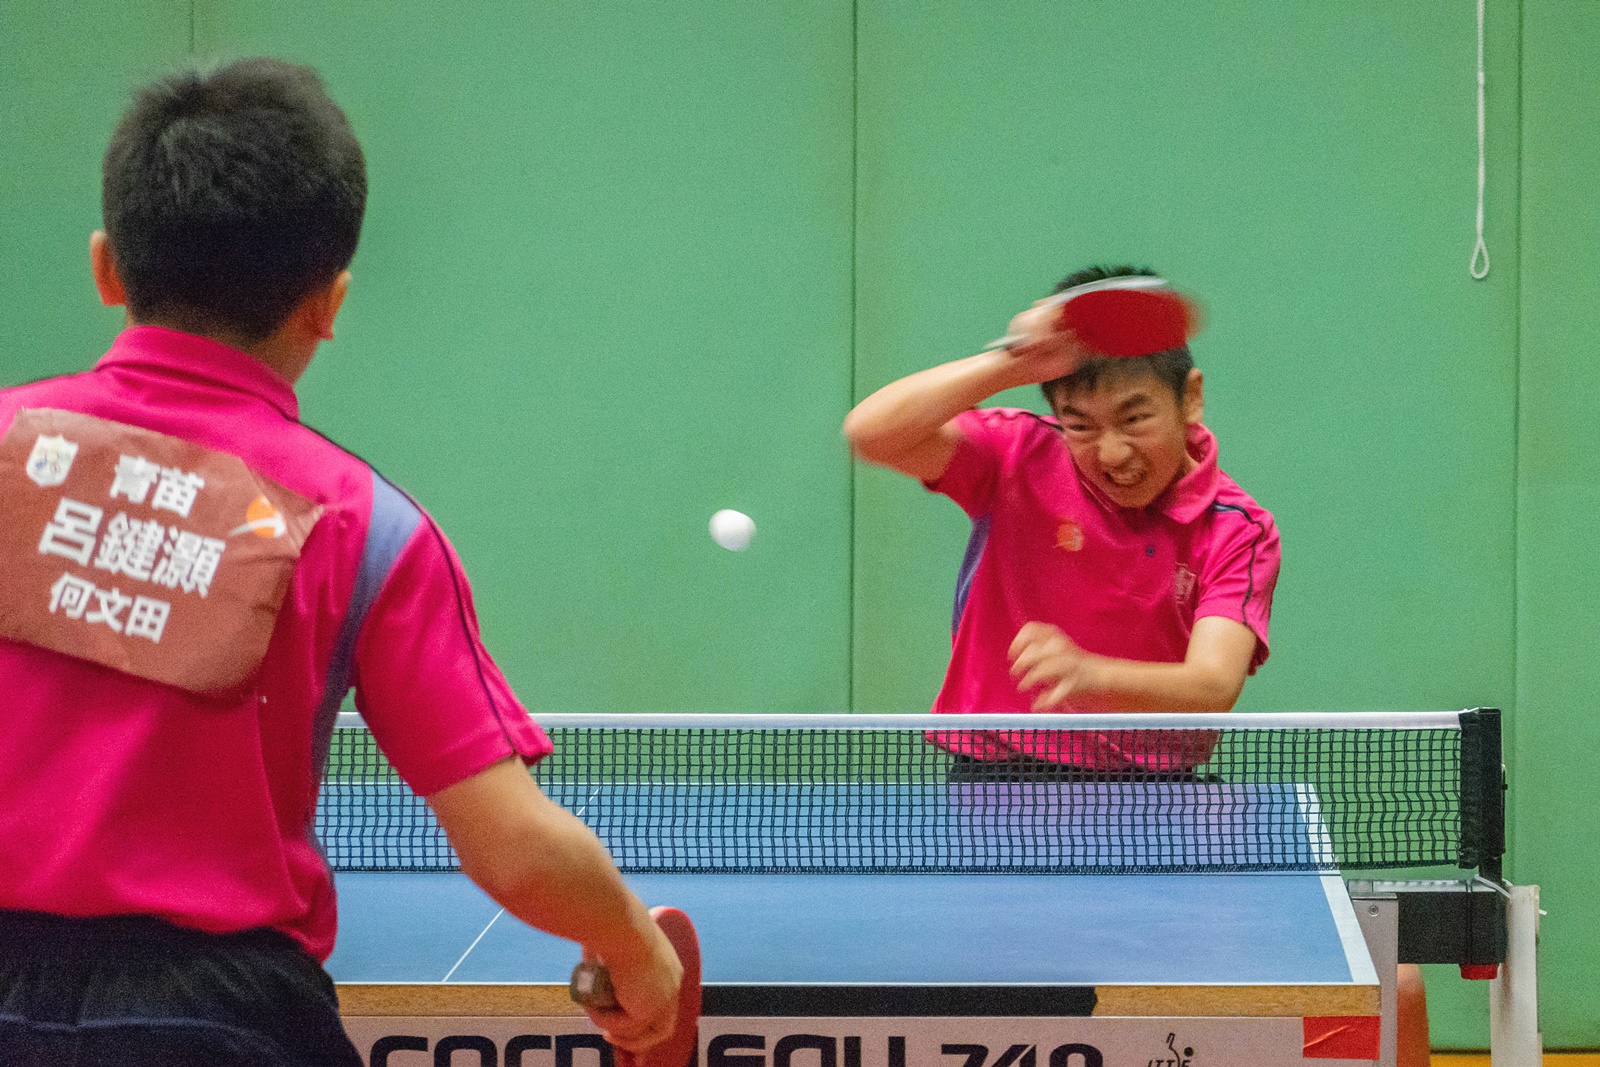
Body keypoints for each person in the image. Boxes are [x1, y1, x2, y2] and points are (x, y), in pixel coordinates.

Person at [0, 59, 680, 1066]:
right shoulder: (368, 529)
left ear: (107, 269)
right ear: (328, 300)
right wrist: (632, 942)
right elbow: (510, 842)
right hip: (215, 1021)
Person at [843, 264, 1429, 1066]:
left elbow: (1212, 684)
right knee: (1010, 1013)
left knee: (1380, 987)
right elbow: (871, 433)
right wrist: (1012, 362)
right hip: (997, 795)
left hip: (1159, 808)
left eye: (1134, 416)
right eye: (1080, 424)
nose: (1111, 451)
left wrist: (1093, 673)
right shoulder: (1017, 455)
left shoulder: (1235, 528)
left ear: (1191, 398)